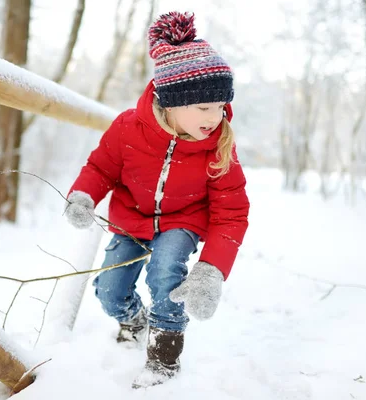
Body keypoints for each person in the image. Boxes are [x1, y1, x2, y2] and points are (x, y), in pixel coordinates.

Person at [64, 11, 250, 389]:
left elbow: (232, 213)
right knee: (111, 290)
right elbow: (101, 168)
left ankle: (164, 356)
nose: (215, 118)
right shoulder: (128, 128)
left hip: (183, 221)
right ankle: (134, 320)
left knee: (166, 273)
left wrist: (211, 270)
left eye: (220, 107)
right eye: (203, 108)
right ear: (171, 102)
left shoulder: (218, 146)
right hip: (131, 219)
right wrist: (83, 195)